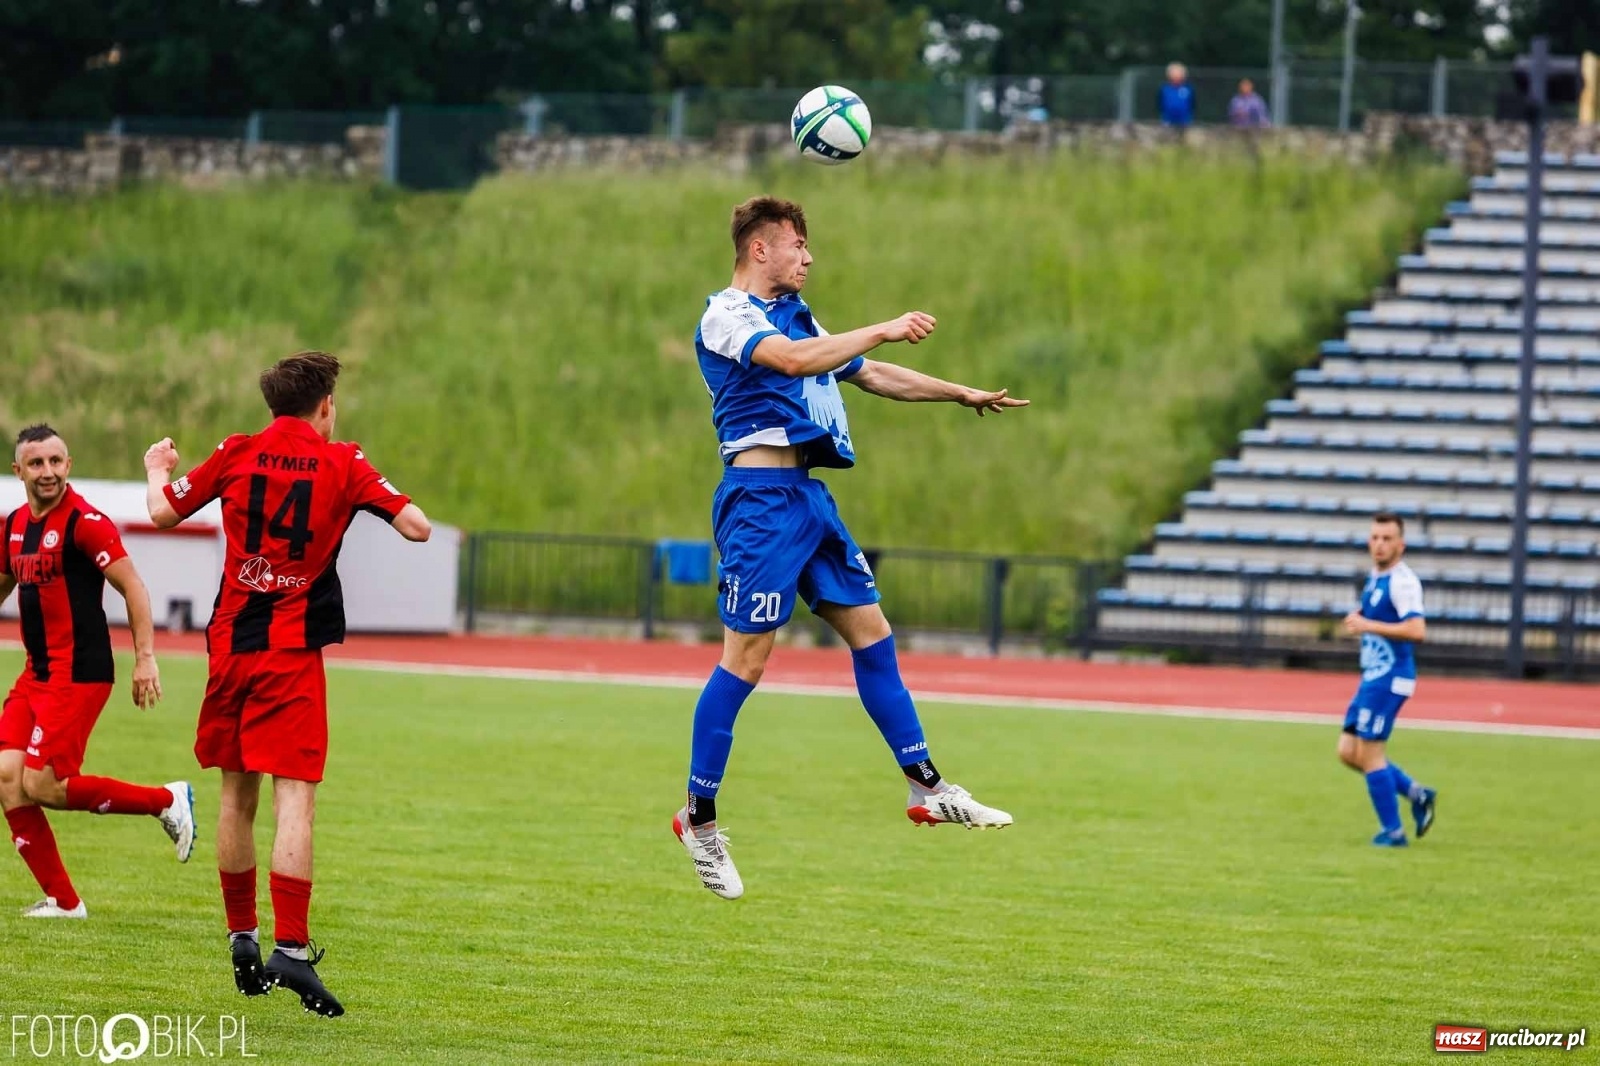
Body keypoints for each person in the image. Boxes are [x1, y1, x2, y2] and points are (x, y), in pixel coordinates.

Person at [675, 197, 1029, 900]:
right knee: (747, 660)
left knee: (873, 635)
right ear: (759, 250)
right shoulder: (727, 315)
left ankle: (925, 786)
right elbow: (793, 361)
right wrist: (887, 327)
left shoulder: (803, 317)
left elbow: (867, 374)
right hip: (758, 503)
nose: (808, 258)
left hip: (808, 500)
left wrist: (959, 393)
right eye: (798, 246)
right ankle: (699, 821)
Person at [143, 351, 431, 1014]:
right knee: (294, 803)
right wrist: (367, 497)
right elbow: (417, 528)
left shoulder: (238, 452)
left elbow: (162, 512)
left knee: (233, 798)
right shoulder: (343, 461)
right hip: (292, 655)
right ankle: (291, 951)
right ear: (325, 406)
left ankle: (242, 935)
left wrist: (158, 468)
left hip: (231, 646)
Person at [1, 424, 195, 919]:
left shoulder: (85, 522)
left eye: (57, 461)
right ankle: (65, 903)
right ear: (17, 469)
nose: (48, 472)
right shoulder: (12, 526)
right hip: (36, 675)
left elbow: (133, 587)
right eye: (37, 463)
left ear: (68, 464)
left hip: (79, 674)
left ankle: (165, 800)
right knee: (5, 775)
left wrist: (145, 657)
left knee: (43, 785)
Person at [1339, 513, 1437, 847]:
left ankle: (1393, 832)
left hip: (1391, 677)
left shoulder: (1403, 582)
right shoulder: (1376, 576)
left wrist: (1368, 626)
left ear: (1401, 544)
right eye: (1375, 537)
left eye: (1387, 538)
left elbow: (1416, 629)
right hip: (1373, 676)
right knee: (1348, 751)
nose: (1379, 544)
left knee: (1370, 753)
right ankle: (1417, 794)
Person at [1158, 63, 1196, 127]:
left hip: (1185, 120)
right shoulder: (1165, 89)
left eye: (1178, 74)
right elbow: (1160, 104)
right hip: (1167, 120)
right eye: (1174, 74)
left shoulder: (1188, 89)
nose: (1176, 76)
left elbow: (1192, 104)